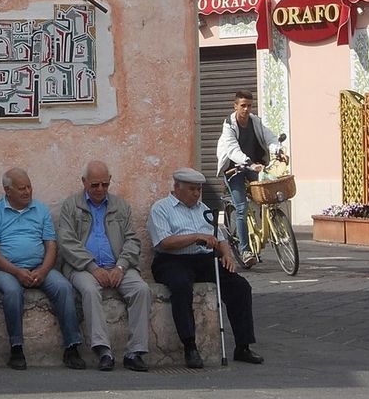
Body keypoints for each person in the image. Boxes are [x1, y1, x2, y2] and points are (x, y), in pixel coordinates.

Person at [148, 168, 264, 367]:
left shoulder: (203, 209)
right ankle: (190, 346)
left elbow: (219, 238)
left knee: (240, 286)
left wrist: (226, 254)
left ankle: (242, 345)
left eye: (199, 190)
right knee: (181, 286)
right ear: (177, 188)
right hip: (172, 260)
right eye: (192, 189)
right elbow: (164, 242)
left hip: (202, 259)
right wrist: (196, 237)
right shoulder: (161, 208)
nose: (196, 194)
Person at [0, 167, 86, 371]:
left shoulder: (41, 210)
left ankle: (72, 346)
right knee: (12, 291)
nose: (27, 192)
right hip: (5, 269)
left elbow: (51, 246)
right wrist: (17, 272)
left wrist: (43, 270)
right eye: (22, 188)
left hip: (39, 267)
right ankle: (16, 348)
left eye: (29, 187)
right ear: (7, 190)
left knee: (64, 288)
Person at [57, 160, 151, 372]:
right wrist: (92, 267)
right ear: (84, 182)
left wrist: (121, 266)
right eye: (95, 185)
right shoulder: (71, 206)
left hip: (118, 265)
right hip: (83, 267)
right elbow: (66, 241)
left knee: (141, 290)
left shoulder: (120, 206)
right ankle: (103, 350)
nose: (100, 189)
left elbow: (132, 240)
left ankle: (135, 352)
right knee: (90, 290)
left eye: (105, 185)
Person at [216, 90, 281, 266]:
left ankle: (268, 227)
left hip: (254, 164)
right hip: (234, 168)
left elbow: (269, 137)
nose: (246, 109)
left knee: (268, 195)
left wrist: (277, 150)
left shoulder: (255, 121)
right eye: (243, 105)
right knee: (242, 208)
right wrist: (248, 163)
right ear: (235, 106)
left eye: (249, 106)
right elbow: (232, 149)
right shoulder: (229, 124)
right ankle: (245, 251)